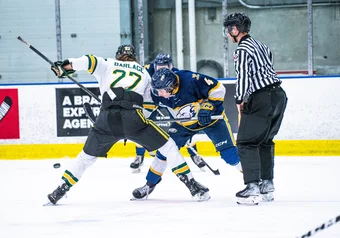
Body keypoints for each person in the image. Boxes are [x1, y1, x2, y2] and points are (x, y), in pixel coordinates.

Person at [46, 44, 210, 205]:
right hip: (134, 118)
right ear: (135, 57)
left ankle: (60, 189)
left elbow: (88, 60)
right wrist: (138, 127)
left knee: (85, 159)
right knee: (169, 147)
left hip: (106, 119)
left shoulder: (108, 64)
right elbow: (148, 106)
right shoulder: (144, 72)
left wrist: (65, 66)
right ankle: (192, 186)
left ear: (118, 55)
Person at [132, 67, 242, 199]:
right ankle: (149, 185)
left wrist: (208, 107)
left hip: (211, 121)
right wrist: (138, 121)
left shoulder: (190, 80)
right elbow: (148, 109)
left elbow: (218, 88)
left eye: (162, 91)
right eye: (157, 90)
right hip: (183, 124)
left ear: (172, 86)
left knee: (230, 155)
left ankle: (254, 180)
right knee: (164, 152)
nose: (159, 94)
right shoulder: (157, 92)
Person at [223, 13, 288, 205]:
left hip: (261, 98)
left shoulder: (242, 50)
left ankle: (252, 188)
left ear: (235, 29)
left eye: (228, 29)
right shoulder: (262, 45)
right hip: (279, 95)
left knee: (246, 142)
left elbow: (243, 76)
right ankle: (267, 185)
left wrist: (239, 99)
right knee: (265, 141)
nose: (227, 33)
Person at [130, 53, 206, 172]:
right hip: (150, 100)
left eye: (164, 67)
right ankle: (139, 156)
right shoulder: (145, 70)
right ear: (154, 66)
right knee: (139, 123)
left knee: (185, 122)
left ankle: (194, 154)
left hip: (168, 99)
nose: (161, 69)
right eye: (159, 67)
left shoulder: (176, 74)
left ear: (171, 66)